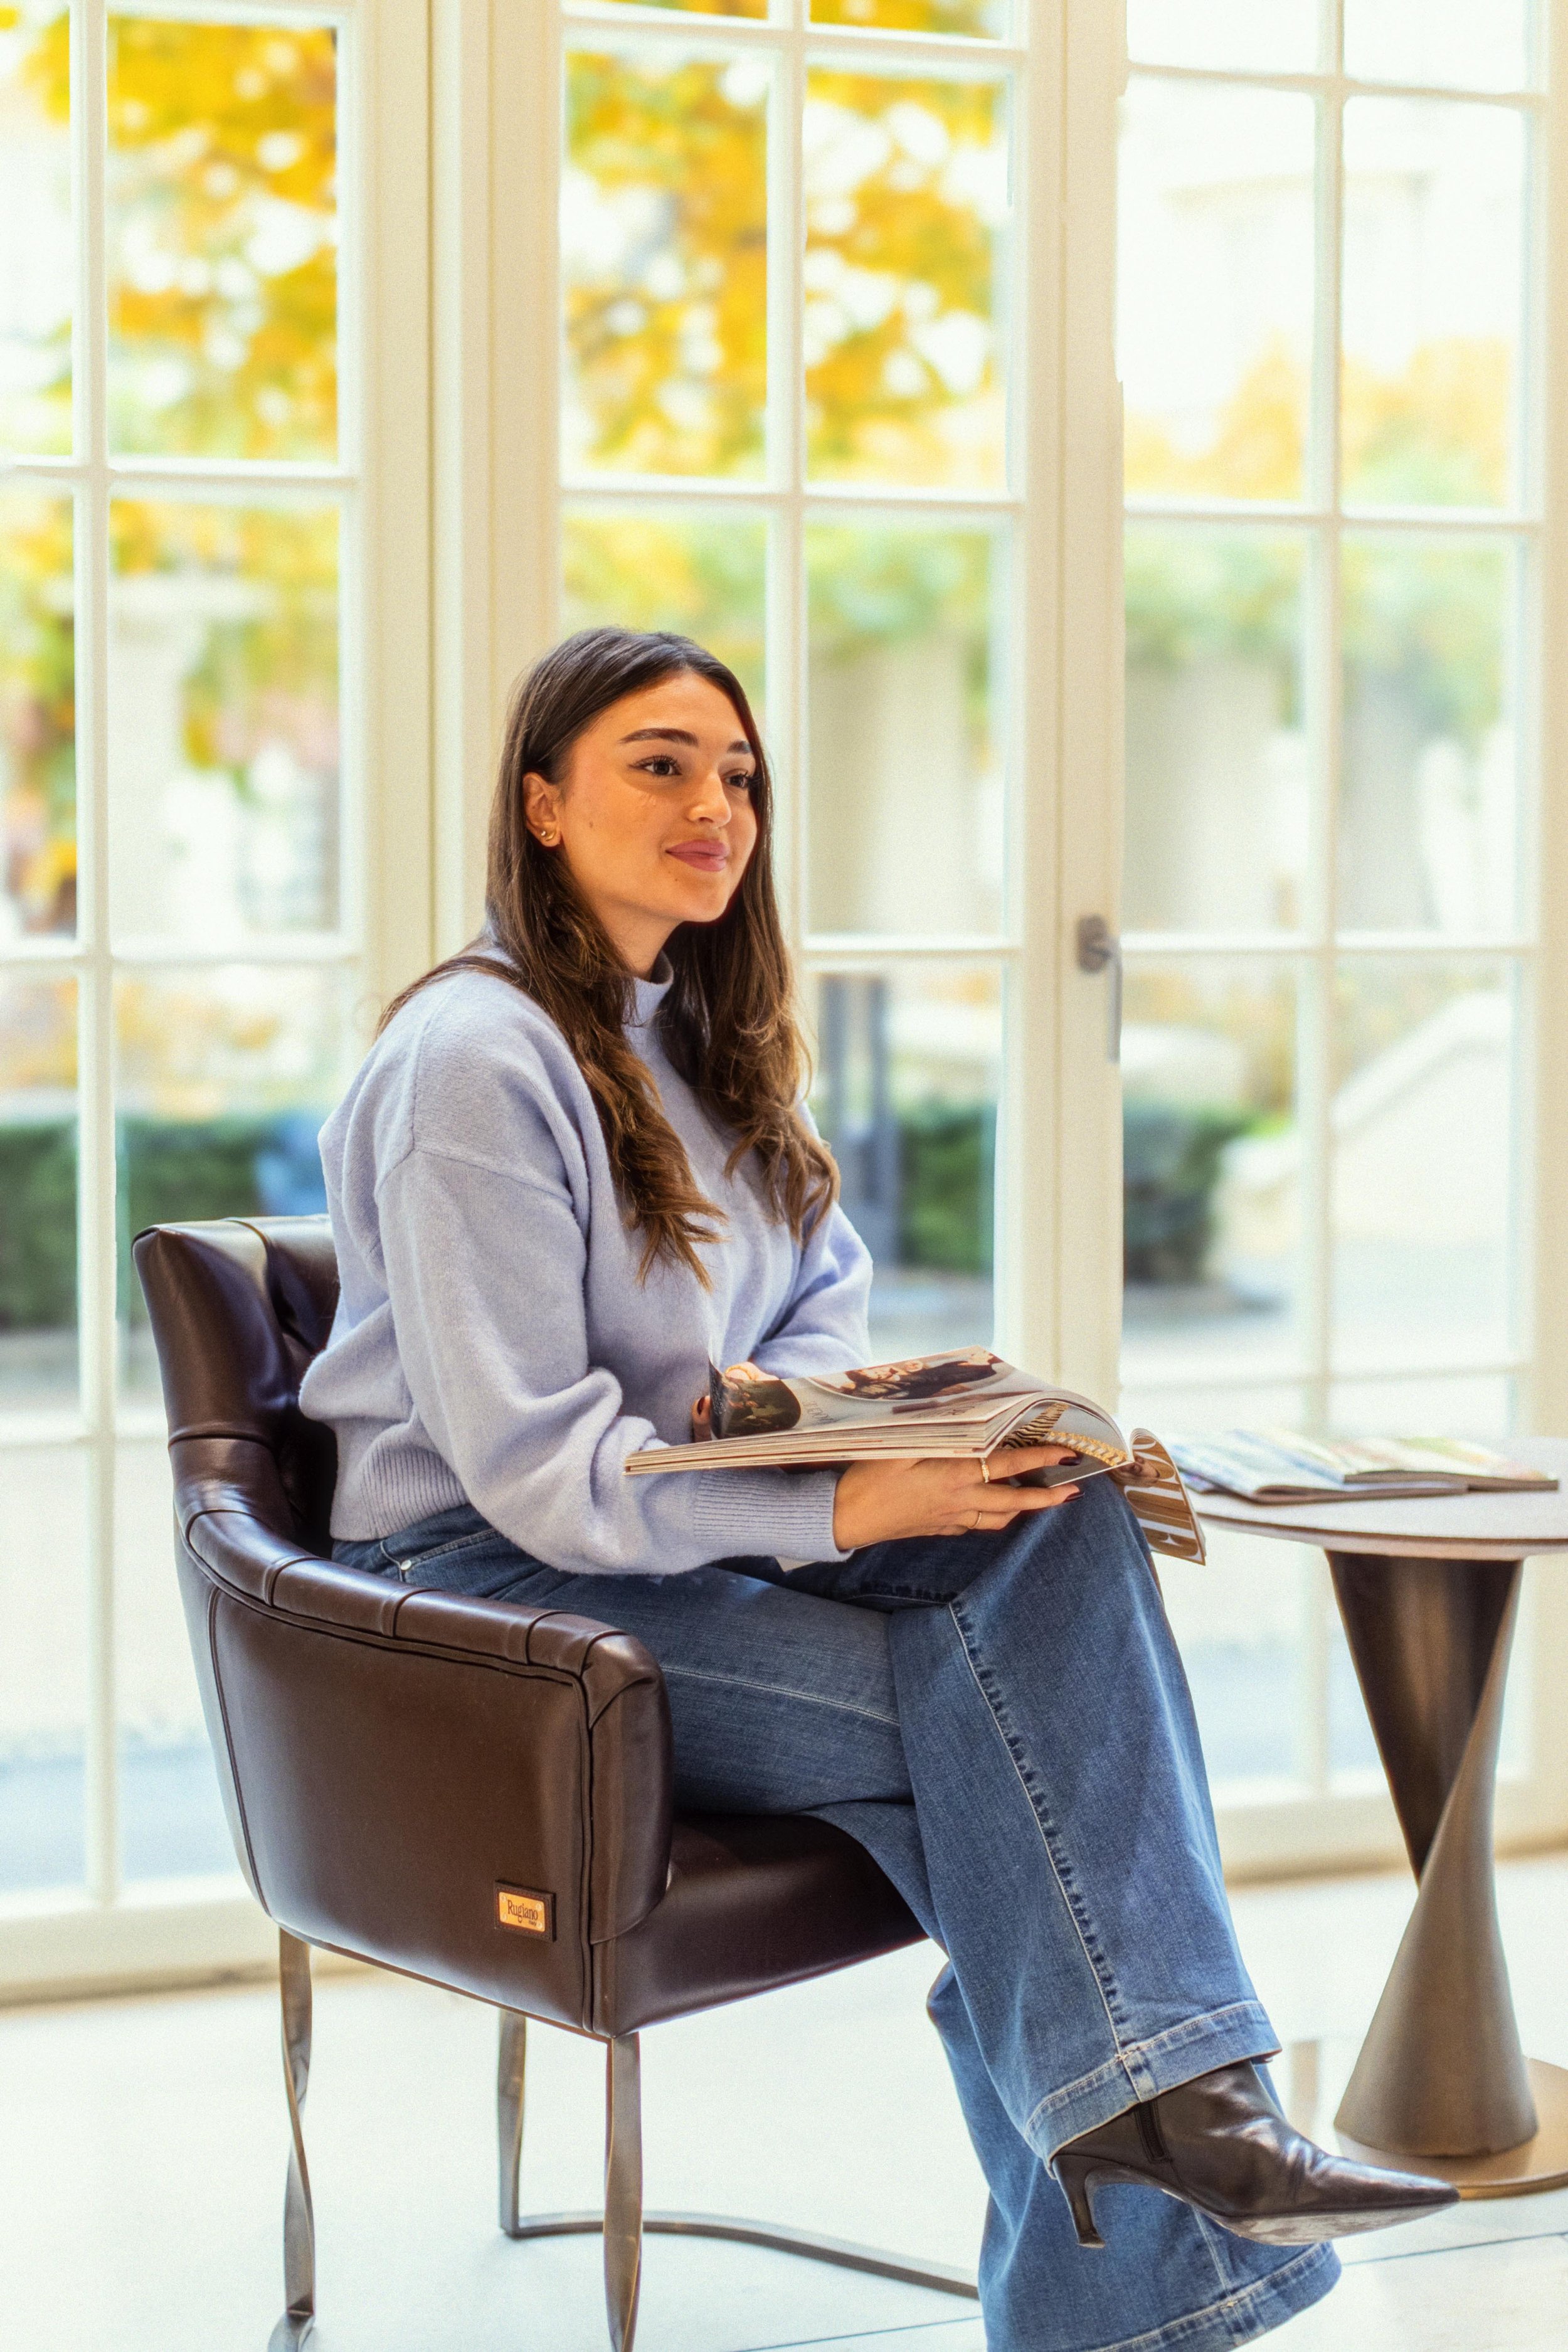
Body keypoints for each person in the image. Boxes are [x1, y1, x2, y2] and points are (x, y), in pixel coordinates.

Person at [300, 627, 1453, 2352]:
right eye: (659, 763)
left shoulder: (698, 1043)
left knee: (1055, 1533)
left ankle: (1168, 2126)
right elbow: (535, 1472)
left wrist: (908, 1429)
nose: (715, 805)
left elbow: (807, 1311)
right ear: (540, 804)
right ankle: (1160, 2193)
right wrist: (843, 1511)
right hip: (489, 1600)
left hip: (664, 1533)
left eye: (739, 775)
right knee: (1016, 1764)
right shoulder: (475, 1062)